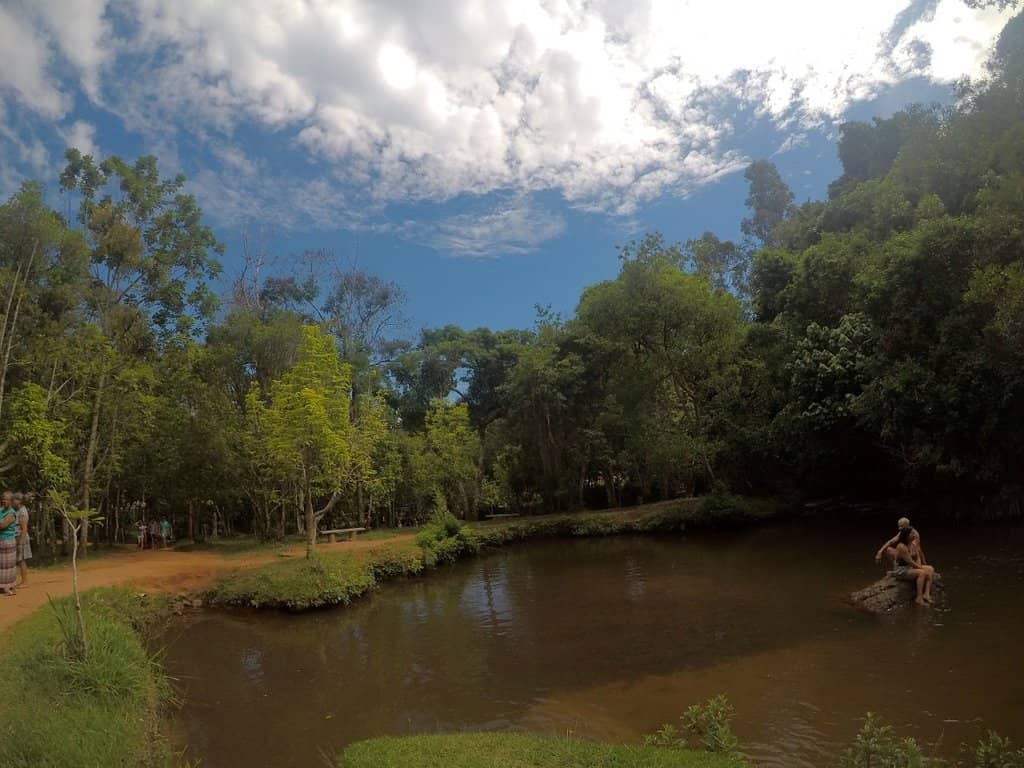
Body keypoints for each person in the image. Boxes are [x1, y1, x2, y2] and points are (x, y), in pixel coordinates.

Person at [892, 526, 935, 606]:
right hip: (901, 570)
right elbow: (910, 561)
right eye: (912, 533)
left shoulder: (912, 544)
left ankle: (926, 593)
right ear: (906, 535)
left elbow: (917, 556)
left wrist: (920, 566)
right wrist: (920, 568)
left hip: (910, 567)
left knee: (930, 569)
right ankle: (919, 598)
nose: (914, 534)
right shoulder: (901, 546)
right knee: (922, 573)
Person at [0, 491, 19, 596]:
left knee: (8, 566)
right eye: (3, 499)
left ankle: (9, 587)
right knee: (1, 565)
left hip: (8, 541)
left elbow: (3, 525)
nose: (4, 501)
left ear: (11, 501)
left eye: (6, 499)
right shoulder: (1, 511)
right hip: (1, 541)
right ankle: (2, 586)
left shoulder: (11, 513)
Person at [14, 492, 31, 587]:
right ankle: (22, 581)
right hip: (17, 536)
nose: (13, 502)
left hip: (21, 537)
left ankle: (25, 581)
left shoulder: (22, 511)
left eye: (14, 500)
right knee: (19, 560)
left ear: (19, 501)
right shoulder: (18, 510)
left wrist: (20, 542)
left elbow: (24, 528)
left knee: (21, 560)